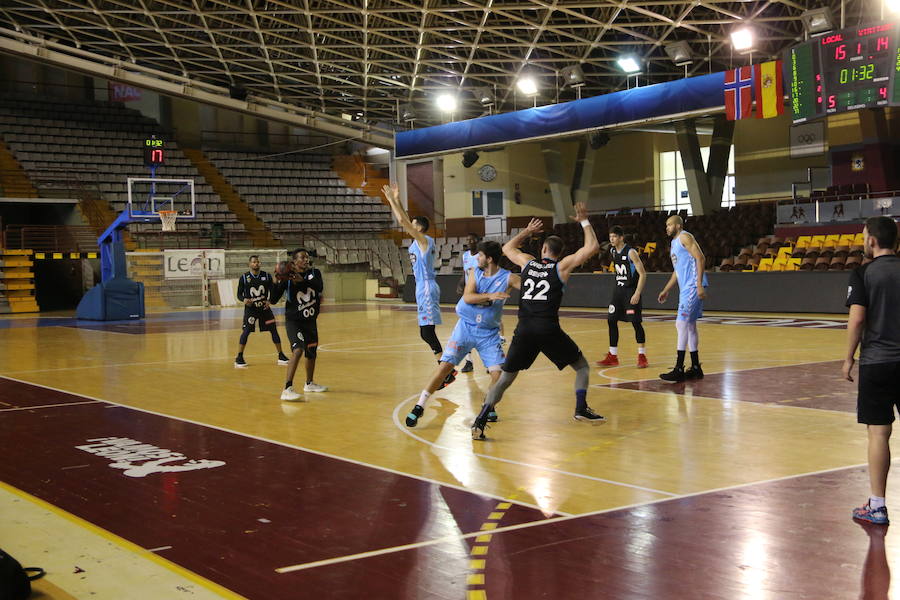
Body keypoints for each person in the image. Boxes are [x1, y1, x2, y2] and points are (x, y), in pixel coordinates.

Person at [471, 203, 605, 441]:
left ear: (542, 248)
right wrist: (584, 221)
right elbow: (592, 247)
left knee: (505, 378)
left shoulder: (527, 263)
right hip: (548, 328)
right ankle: (581, 408)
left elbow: (507, 248)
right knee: (582, 367)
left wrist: (526, 232)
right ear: (558, 252)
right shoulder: (561, 267)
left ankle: (481, 419)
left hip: (524, 329)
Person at [406, 240, 519, 428]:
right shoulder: (476, 272)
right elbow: (468, 297)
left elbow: (530, 287)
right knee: (444, 368)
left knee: (498, 375)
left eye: (481, 255)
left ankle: (488, 405)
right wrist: (490, 296)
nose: (477, 258)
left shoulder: (508, 278)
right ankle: (420, 406)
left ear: (489, 259)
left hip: (488, 333)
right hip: (465, 328)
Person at [843, 216, 900, 525]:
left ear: (873, 241)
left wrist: (848, 357)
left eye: (864, 236)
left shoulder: (863, 273)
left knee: (879, 433)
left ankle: (877, 506)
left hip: (877, 362)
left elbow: (857, 320)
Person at [382, 182, 456, 388]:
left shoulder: (424, 241)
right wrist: (396, 199)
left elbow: (401, 220)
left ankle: (446, 370)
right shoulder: (419, 241)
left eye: (413, 224)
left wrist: (390, 201)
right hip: (422, 287)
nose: (409, 225)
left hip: (426, 286)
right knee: (425, 332)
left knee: (426, 332)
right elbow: (405, 219)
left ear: (419, 228)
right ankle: (445, 370)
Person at [270, 248, 327, 401]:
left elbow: (319, 286)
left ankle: (309, 383)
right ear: (294, 262)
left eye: (307, 257)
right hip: (294, 321)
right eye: (302, 257)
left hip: (310, 321)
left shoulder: (315, 273)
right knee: (298, 350)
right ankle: (287, 388)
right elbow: (273, 299)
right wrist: (276, 281)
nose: (306, 260)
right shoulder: (287, 279)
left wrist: (303, 281)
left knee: (312, 352)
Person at [657, 215, 708, 383]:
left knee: (681, 323)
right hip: (686, 287)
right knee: (690, 326)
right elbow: (677, 271)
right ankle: (695, 367)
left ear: (678, 225)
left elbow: (700, 258)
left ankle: (679, 368)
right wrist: (666, 289)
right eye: (666, 225)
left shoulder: (685, 236)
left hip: (693, 286)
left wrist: (699, 284)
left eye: (669, 224)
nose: (667, 228)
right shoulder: (673, 244)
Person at [596, 226, 648, 369]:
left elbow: (643, 274)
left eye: (614, 236)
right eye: (610, 236)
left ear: (621, 237)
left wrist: (637, 293)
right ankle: (613, 356)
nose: (611, 239)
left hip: (630, 292)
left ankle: (642, 356)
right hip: (618, 291)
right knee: (611, 320)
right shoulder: (612, 251)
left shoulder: (631, 252)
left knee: (636, 323)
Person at [234, 255, 290, 368]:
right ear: (250, 264)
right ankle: (239, 357)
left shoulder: (266, 276)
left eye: (258, 262)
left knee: (274, 330)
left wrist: (269, 300)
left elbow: (273, 291)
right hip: (251, 310)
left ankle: (281, 355)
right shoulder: (244, 278)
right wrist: (244, 299)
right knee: (246, 331)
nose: (256, 263)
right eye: (254, 262)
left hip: (264, 309)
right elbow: (239, 294)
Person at [456, 233, 481, 373]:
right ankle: (469, 361)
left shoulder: (482, 256)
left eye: (472, 240)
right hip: (468, 295)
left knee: (482, 329)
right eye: (468, 240)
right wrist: (461, 283)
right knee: (466, 328)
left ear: (478, 241)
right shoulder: (465, 256)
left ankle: (492, 362)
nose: (469, 242)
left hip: (480, 295)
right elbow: (464, 273)